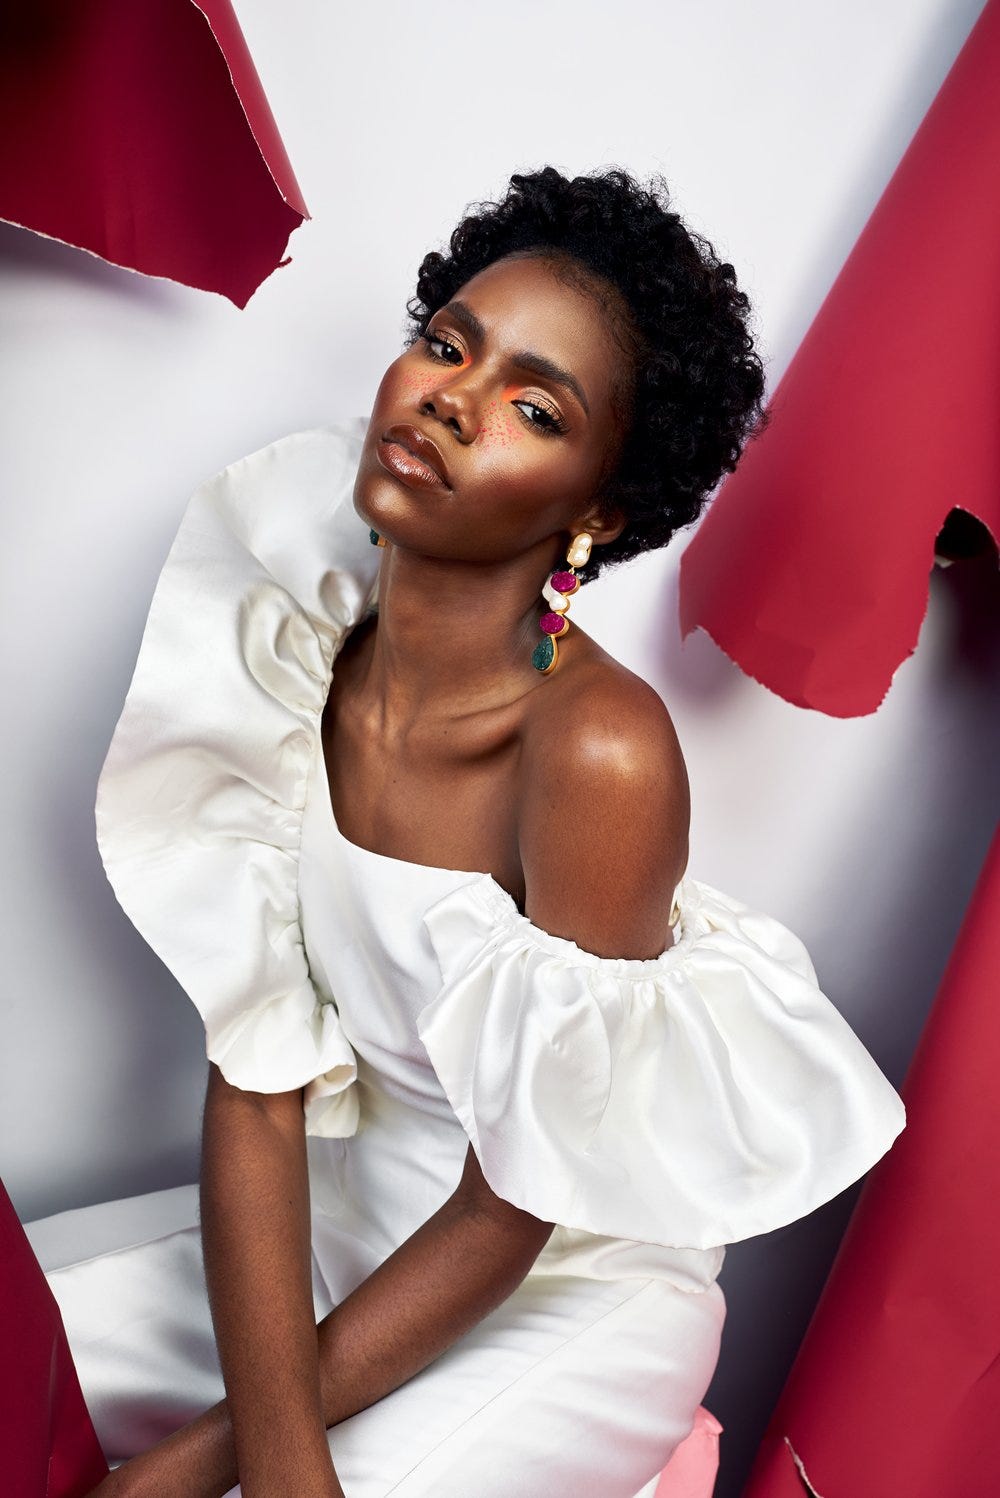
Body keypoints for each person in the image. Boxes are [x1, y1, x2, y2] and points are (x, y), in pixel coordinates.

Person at [24, 166, 907, 1498]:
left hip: (552, 1282)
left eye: (534, 407)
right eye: (448, 345)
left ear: (597, 509)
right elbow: (255, 1075)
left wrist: (223, 1465)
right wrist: (248, 1444)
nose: (451, 398)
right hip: (337, 1222)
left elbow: (515, 1206)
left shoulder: (597, 751)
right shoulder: (291, 635)